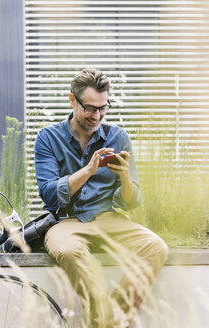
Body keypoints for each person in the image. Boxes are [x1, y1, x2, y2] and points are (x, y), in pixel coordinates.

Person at [34, 68, 169, 328]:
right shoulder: (48, 138)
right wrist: (88, 171)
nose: (97, 115)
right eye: (90, 108)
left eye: (103, 108)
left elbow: (131, 202)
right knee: (67, 251)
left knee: (156, 247)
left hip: (108, 218)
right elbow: (49, 193)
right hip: (66, 222)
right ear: (72, 100)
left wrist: (126, 178)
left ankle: (109, 320)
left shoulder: (119, 137)